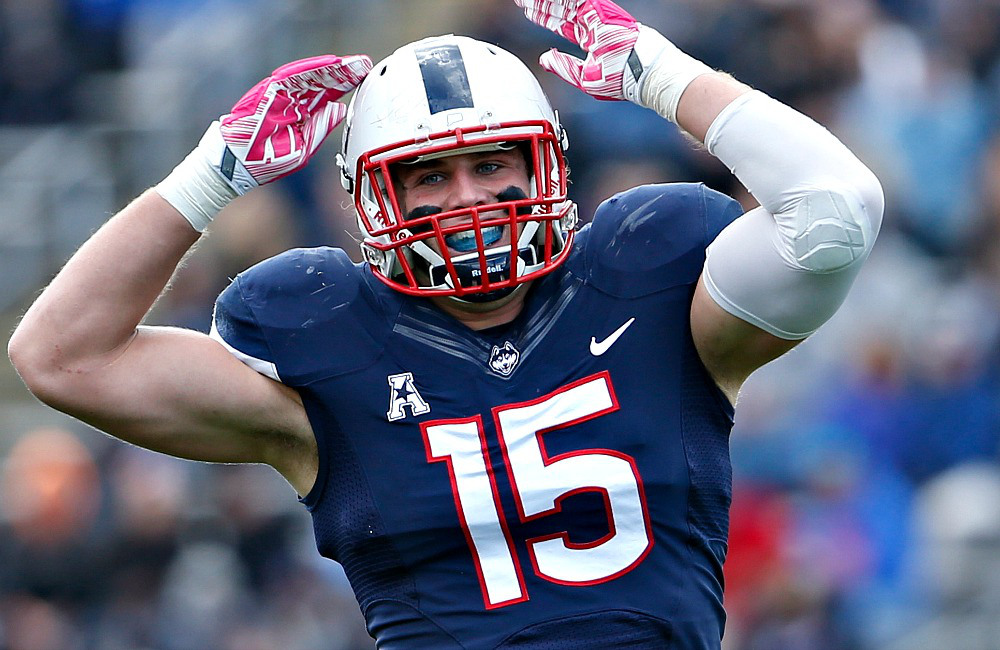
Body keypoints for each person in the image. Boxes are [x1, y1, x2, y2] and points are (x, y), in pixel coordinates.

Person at [7, 0, 883, 647]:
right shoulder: (325, 354)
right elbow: (60, 357)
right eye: (429, 177)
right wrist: (211, 175)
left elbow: (835, 207)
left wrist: (661, 74)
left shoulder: (658, 296)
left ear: (547, 162)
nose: (467, 199)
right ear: (371, 198)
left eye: (493, 162)